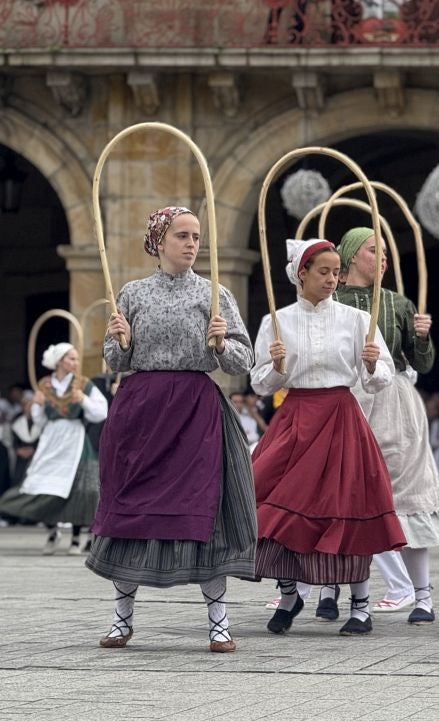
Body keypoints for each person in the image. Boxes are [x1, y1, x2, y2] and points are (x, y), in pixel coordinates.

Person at [86, 206, 257, 653]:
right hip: (141, 413)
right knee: (130, 509)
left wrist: (221, 343)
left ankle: (219, 623)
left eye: (196, 236)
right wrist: (119, 340)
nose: (192, 244)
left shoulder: (214, 293)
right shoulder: (133, 293)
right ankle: (121, 620)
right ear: (159, 242)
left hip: (195, 413)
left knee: (203, 509)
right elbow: (115, 360)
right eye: (182, 235)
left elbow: (243, 361)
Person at [251, 238, 406, 637]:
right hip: (296, 418)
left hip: (340, 417)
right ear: (301, 273)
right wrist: (277, 366)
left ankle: (361, 605)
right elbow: (260, 383)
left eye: (337, 272)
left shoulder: (356, 319)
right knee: (270, 502)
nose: (332, 279)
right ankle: (289, 594)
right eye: (323, 272)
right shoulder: (277, 320)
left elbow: (381, 378)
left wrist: (371, 365)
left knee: (349, 505)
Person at [323, 227, 439, 623]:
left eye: (384, 252)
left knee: (406, 494)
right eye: (372, 250)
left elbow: (421, 362)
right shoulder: (331, 301)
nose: (381, 259)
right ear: (349, 257)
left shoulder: (398, 303)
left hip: (394, 405)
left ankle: (422, 596)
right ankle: (334, 589)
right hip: (346, 399)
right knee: (344, 494)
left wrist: (423, 338)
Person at [0, 344, 108, 553]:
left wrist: (83, 400)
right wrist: (38, 406)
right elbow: (40, 421)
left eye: (76, 359)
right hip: (51, 439)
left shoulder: (82, 383)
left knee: (77, 489)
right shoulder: (45, 385)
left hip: (74, 439)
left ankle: (75, 538)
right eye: (71, 359)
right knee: (43, 484)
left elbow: (101, 412)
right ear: (59, 361)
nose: (75, 363)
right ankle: (52, 531)